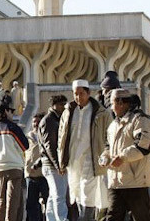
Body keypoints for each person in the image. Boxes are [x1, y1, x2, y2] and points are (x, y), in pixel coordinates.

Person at [58, 79, 112, 221]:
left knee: (87, 192)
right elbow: (61, 137)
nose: (78, 97)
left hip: (92, 158)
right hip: (73, 159)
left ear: (88, 93)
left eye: (81, 93)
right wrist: (61, 160)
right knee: (76, 192)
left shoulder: (101, 113)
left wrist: (106, 154)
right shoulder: (68, 112)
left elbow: (109, 135)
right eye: (75, 94)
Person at [99, 89, 150, 221]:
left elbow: (143, 146)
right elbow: (108, 147)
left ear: (121, 103)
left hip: (136, 182)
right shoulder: (113, 125)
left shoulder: (141, 120)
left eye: (112, 103)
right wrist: (104, 157)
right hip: (116, 182)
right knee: (112, 217)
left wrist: (122, 157)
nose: (111, 107)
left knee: (141, 218)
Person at [0, 104, 29, 221]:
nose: (12, 114)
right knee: (12, 201)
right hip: (14, 167)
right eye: (11, 111)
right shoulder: (13, 128)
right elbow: (25, 146)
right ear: (6, 112)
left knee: (1, 200)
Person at [38, 95, 68, 221]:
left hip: (50, 164)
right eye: (61, 104)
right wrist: (58, 165)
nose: (63, 107)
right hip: (52, 165)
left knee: (53, 195)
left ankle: (51, 218)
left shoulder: (54, 119)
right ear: (54, 105)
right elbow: (50, 146)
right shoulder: (49, 121)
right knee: (59, 196)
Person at [26, 113, 48, 221]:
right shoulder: (28, 136)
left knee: (48, 202)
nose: (36, 124)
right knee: (31, 204)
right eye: (34, 121)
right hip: (31, 175)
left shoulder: (46, 135)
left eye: (38, 121)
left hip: (44, 174)